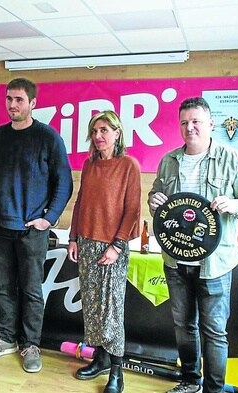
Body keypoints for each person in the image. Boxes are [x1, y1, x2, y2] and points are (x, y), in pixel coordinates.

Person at [148, 97, 238, 393]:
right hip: (176, 261)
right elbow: (156, 198)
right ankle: (190, 381)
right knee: (183, 326)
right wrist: (153, 201)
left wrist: (235, 204)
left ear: (211, 124)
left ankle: (213, 389)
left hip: (214, 264)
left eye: (196, 122)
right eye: (185, 122)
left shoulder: (232, 158)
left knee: (214, 331)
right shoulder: (169, 160)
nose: (190, 128)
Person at [0, 78, 73, 373]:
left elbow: (63, 182)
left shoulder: (47, 137)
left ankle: (30, 344)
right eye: (9, 99)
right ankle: (6, 338)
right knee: (4, 288)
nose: (12, 105)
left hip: (32, 230)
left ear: (32, 103)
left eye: (19, 99)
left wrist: (49, 217)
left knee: (31, 290)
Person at [67, 110, 141, 393]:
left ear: (117, 133)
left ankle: (117, 373)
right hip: (85, 242)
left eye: (104, 130)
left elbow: (132, 210)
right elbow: (80, 202)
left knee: (111, 311)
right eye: (95, 131)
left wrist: (117, 246)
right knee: (92, 308)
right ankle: (100, 358)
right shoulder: (89, 165)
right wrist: (73, 237)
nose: (98, 136)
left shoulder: (128, 166)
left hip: (113, 247)